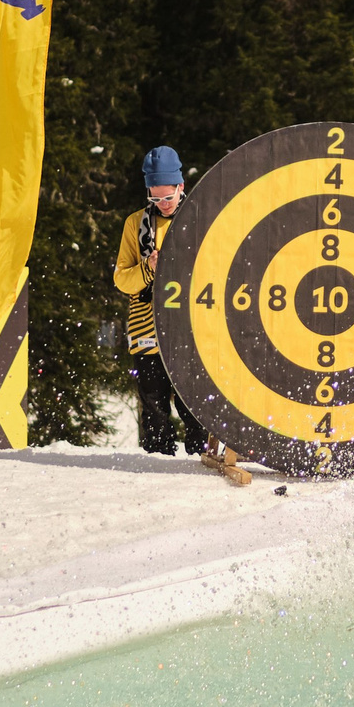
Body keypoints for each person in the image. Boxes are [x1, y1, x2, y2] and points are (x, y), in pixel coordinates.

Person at [112, 145, 247, 486]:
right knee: (154, 407)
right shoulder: (136, 225)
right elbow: (121, 279)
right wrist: (149, 267)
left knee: (194, 404)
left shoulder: (201, 220)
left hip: (192, 330)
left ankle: (198, 464)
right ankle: (157, 467)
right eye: (155, 197)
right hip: (147, 329)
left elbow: (223, 269)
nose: (163, 204)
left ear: (180, 187)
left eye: (168, 195)